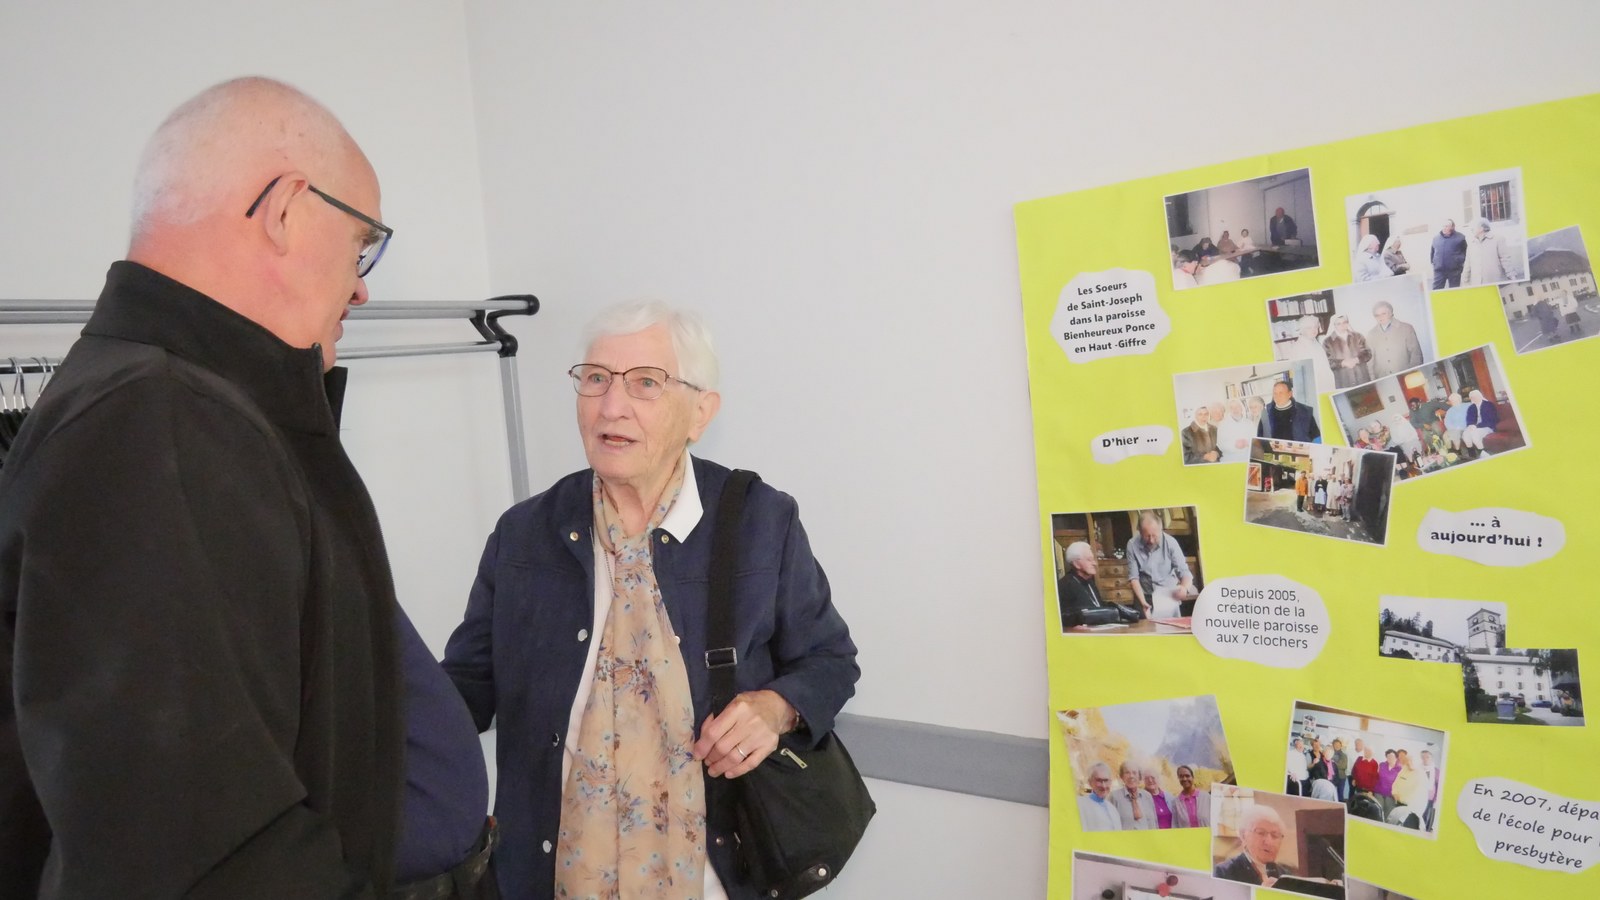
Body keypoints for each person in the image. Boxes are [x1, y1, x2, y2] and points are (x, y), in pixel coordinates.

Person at [0, 76, 500, 898]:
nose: (362, 284)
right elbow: (199, 855)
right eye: (362, 242)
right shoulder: (158, 424)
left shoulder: (191, 411)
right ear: (287, 210)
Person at [441, 301, 860, 899]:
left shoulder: (760, 521)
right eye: (595, 379)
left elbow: (830, 660)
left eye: (645, 383)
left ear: (700, 412)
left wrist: (775, 708)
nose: (611, 406)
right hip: (551, 877)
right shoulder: (525, 534)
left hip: (714, 880)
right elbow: (466, 685)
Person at [1125, 512, 1197, 619]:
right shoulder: (1132, 545)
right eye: (1147, 536)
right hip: (1143, 597)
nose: (1151, 540)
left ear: (1161, 530)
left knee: (1171, 628)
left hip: (1168, 597)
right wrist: (1143, 602)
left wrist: (1184, 588)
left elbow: (1184, 572)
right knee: (1145, 629)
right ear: (1139, 531)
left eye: (1154, 536)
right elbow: (1134, 578)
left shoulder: (1171, 543)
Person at [1214, 803, 1289, 887]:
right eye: (1260, 833)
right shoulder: (1224, 872)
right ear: (1243, 835)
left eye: (1275, 835)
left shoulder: (1286, 875)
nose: (1269, 842)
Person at [1058, 541, 1112, 629]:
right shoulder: (1066, 585)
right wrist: (1072, 627)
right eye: (1089, 560)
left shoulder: (1090, 582)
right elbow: (1062, 617)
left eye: (1093, 559)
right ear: (1076, 564)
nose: (1095, 563)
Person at [1366, 300, 1425, 380]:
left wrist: (1412, 374)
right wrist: (1373, 381)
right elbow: (1370, 362)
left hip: (1405, 377)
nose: (1380, 317)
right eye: (1377, 315)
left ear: (1391, 313)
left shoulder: (1406, 328)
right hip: (1383, 379)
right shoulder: (1371, 334)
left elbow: (1416, 355)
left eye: (1383, 313)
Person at [1285, 314, 1335, 390]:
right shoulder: (1297, 348)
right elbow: (1297, 375)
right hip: (1314, 387)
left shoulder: (1315, 342)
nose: (1313, 330)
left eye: (1315, 327)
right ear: (1302, 330)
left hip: (1326, 384)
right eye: (1309, 328)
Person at [1322, 314, 1373, 388]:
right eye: (1338, 324)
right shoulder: (1327, 342)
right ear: (1334, 325)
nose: (1342, 326)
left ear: (1348, 323)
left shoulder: (1358, 336)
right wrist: (1342, 363)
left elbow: (1368, 353)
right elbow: (1327, 362)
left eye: (1344, 322)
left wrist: (1357, 359)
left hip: (1362, 378)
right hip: (1343, 381)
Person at [1462, 218, 1518, 285]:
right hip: (1476, 283)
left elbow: (1505, 259)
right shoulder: (1471, 243)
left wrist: (1512, 276)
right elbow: (1467, 264)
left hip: (1494, 282)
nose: (1471, 230)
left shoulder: (1498, 239)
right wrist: (1464, 281)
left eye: (1473, 227)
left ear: (1481, 228)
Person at [1078, 763, 1123, 832]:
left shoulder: (1113, 809)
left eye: (1106, 780)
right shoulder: (1080, 805)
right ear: (1090, 782)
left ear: (1110, 782)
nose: (1103, 786)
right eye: (1099, 780)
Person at [1113, 762, 1157, 830]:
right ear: (1122, 777)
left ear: (1139, 777)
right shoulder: (1114, 796)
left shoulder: (1147, 796)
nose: (1131, 776)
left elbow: (1154, 823)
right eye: (1127, 772)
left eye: (1134, 773)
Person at [1461, 388, 1499, 457]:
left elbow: (1491, 420)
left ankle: (1483, 454)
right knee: (1465, 434)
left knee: (1474, 434)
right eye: (1472, 397)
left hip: (1487, 426)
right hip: (1475, 427)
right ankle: (1472, 455)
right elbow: (1469, 419)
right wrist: (1470, 425)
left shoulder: (1489, 405)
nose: (1474, 398)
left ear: (1480, 396)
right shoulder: (1471, 407)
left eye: (1476, 396)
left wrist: (1476, 426)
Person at [1431, 219, 1468, 288]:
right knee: (1436, 291)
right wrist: (1434, 263)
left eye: (1446, 226)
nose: (1444, 228)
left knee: (1454, 291)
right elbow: (1432, 252)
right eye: (1443, 226)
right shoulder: (1436, 238)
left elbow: (1465, 251)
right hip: (1439, 270)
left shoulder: (1460, 238)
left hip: (1454, 271)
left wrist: (1459, 261)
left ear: (1452, 227)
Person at [1217, 399, 1255, 463]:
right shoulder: (1222, 424)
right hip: (1229, 459)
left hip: (1247, 458)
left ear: (1242, 408)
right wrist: (1234, 445)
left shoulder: (1250, 423)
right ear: (1229, 410)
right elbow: (1220, 444)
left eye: (1237, 406)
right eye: (1231, 407)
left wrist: (1247, 443)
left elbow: (1255, 441)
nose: (1235, 410)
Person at [1376, 749, 1402, 819]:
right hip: (1379, 791)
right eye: (1388, 756)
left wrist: (1397, 793)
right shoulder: (1382, 765)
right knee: (1378, 810)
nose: (1390, 758)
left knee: (1388, 813)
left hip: (1391, 794)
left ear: (1396, 758)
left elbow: (1400, 783)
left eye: (1392, 756)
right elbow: (1376, 777)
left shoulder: (1400, 769)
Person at [1421, 750, 1441, 831]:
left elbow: (1439, 786)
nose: (1425, 759)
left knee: (1426, 817)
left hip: (1429, 798)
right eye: (1423, 757)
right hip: (1418, 797)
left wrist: (1435, 799)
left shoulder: (1436, 771)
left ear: (1431, 758)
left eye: (1427, 757)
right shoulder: (1417, 769)